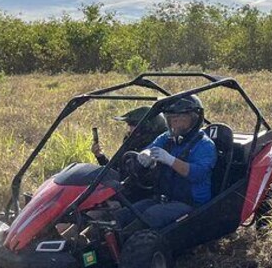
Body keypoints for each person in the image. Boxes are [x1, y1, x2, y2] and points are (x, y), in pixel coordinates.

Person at [115, 95, 217, 229]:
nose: (175, 123)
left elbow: (198, 174)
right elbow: (149, 149)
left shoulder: (205, 145)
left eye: (181, 119)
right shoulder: (167, 137)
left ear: (195, 119)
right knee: (125, 214)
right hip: (163, 198)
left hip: (191, 203)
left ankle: (122, 242)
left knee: (150, 216)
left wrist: (170, 160)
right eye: (172, 119)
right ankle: (88, 239)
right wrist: (145, 156)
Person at [91, 105, 167, 166]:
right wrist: (100, 156)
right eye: (129, 125)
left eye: (134, 125)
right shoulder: (131, 143)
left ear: (147, 127)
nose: (130, 129)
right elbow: (113, 169)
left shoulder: (160, 149)